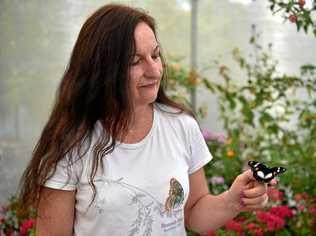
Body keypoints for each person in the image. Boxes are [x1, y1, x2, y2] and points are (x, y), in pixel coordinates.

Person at [19, 3, 275, 236]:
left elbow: (194, 213)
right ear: (102, 69)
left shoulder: (181, 125)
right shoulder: (71, 143)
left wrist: (233, 199)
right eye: (135, 61)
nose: (154, 70)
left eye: (155, 55)